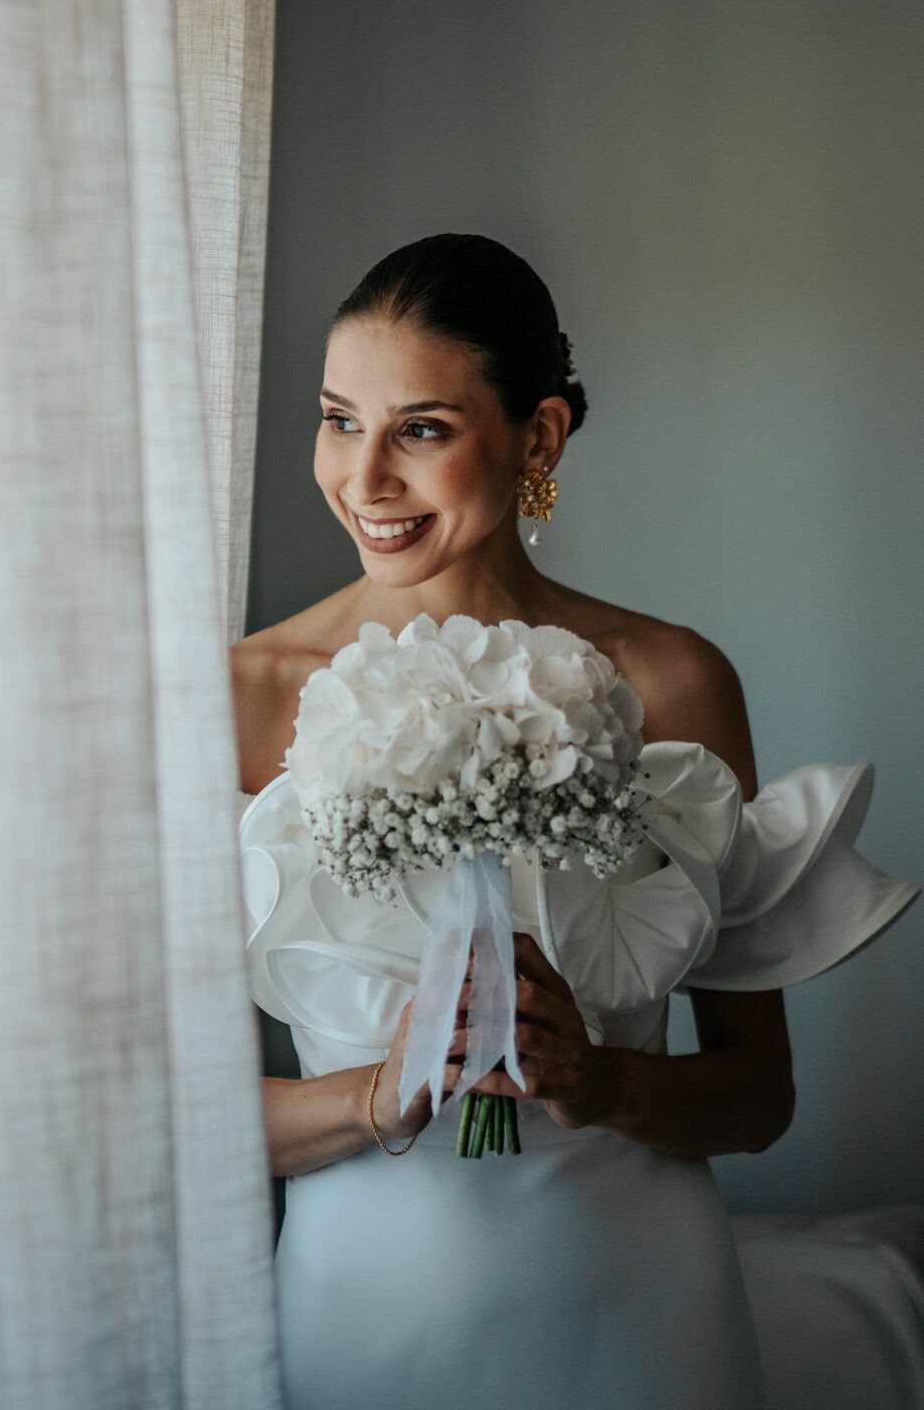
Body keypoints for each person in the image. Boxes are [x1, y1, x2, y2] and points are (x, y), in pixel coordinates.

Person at [231, 232, 919, 1410]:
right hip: (360, 1313)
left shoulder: (673, 680)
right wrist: (370, 1093)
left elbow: (760, 1095)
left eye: (422, 429)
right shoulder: (242, 694)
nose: (363, 478)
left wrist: (601, 1083)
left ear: (538, 436)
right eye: (339, 418)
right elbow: (166, 1126)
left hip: (633, 1303)